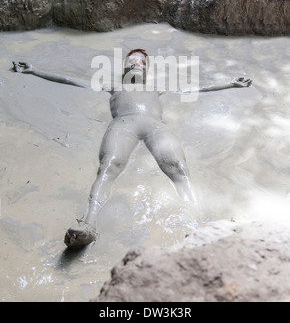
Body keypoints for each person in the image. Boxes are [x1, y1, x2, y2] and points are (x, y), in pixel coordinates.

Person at [12, 50, 252, 249]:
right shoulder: (113, 86)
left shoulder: (157, 88)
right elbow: (69, 79)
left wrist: (230, 84)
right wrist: (35, 70)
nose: (136, 63)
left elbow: (195, 88)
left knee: (178, 168)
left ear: (145, 70)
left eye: (141, 61)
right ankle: (88, 225)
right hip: (123, 124)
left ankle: (202, 225)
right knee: (108, 167)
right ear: (126, 69)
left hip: (156, 127)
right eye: (132, 61)